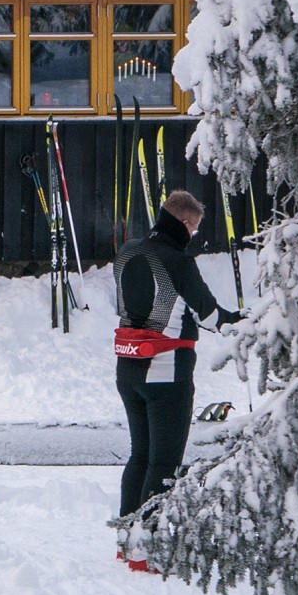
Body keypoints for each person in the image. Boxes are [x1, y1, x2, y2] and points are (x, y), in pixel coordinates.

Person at [114, 189, 243, 532]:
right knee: (164, 463)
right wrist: (246, 323)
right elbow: (211, 315)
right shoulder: (177, 260)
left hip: (127, 369)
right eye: (195, 230)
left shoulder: (128, 253)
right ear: (185, 223)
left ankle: (128, 539)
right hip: (167, 372)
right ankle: (147, 544)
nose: (194, 237)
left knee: (139, 456)